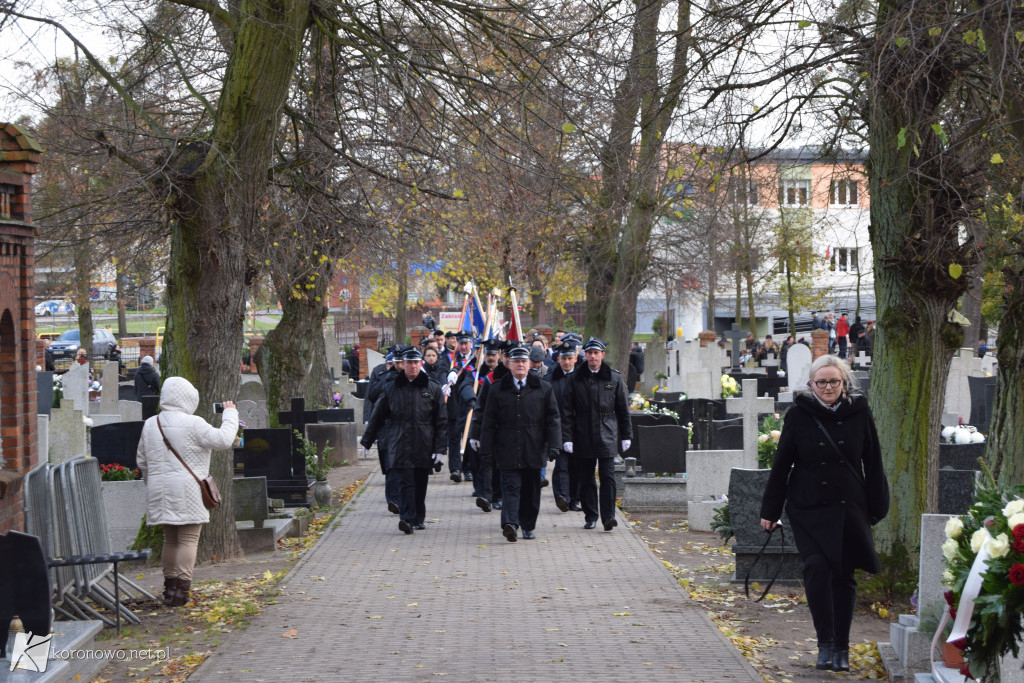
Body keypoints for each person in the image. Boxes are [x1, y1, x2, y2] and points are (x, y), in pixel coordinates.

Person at [759, 356, 889, 673]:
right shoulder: (800, 415)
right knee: (816, 568)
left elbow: (872, 462)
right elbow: (782, 465)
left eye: (834, 381)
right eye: (822, 382)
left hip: (849, 508)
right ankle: (825, 644)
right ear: (811, 385)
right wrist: (770, 510)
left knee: (844, 575)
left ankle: (842, 648)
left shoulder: (859, 412)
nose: (828, 387)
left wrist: (876, 506)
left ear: (844, 383)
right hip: (808, 508)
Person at [137, 377, 238, 606]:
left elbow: (142, 460)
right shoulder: (194, 423)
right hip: (188, 490)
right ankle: (182, 591)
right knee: (189, 539)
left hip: (159, 490)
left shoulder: (151, 423)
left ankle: (169, 589)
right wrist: (230, 415)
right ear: (188, 398)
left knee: (170, 540)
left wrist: (152, 482)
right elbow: (223, 440)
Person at [478, 344, 561, 542]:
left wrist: (555, 444)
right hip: (507, 447)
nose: (521, 365)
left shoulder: (543, 388)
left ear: (530, 363)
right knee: (510, 487)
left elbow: (553, 418)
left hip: (533, 447)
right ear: (510, 364)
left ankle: (528, 526)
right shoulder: (497, 389)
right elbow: (488, 421)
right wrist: (486, 449)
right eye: (516, 362)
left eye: (524, 361)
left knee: (531, 490)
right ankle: (510, 524)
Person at [361, 347, 447, 534]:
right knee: (405, 481)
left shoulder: (431, 387)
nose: (413, 366)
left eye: (416, 362)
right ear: (403, 365)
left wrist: (440, 448)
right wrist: (367, 440)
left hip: (424, 441)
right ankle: (407, 519)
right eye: (409, 363)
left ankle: (418, 517)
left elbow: (441, 420)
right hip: (399, 441)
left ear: (420, 364)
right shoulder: (391, 387)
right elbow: (378, 416)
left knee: (420, 482)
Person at [562, 337, 632, 531]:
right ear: (584, 355)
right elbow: (567, 411)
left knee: (608, 478)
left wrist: (626, 435)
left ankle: (608, 517)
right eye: (589, 353)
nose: (592, 356)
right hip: (582, 434)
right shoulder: (574, 378)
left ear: (602, 355)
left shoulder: (614, 378)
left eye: (596, 353)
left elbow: (622, 410)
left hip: (606, 433)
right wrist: (567, 438)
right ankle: (591, 514)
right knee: (586, 479)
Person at [548, 340, 581, 512]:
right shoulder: (550, 379)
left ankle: (575, 499)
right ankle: (562, 497)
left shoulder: (582, 378)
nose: (567, 362)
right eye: (564, 358)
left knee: (575, 466)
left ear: (575, 358)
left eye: (570, 358)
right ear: (558, 359)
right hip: (558, 429)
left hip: (578, 430)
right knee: (561, 465)